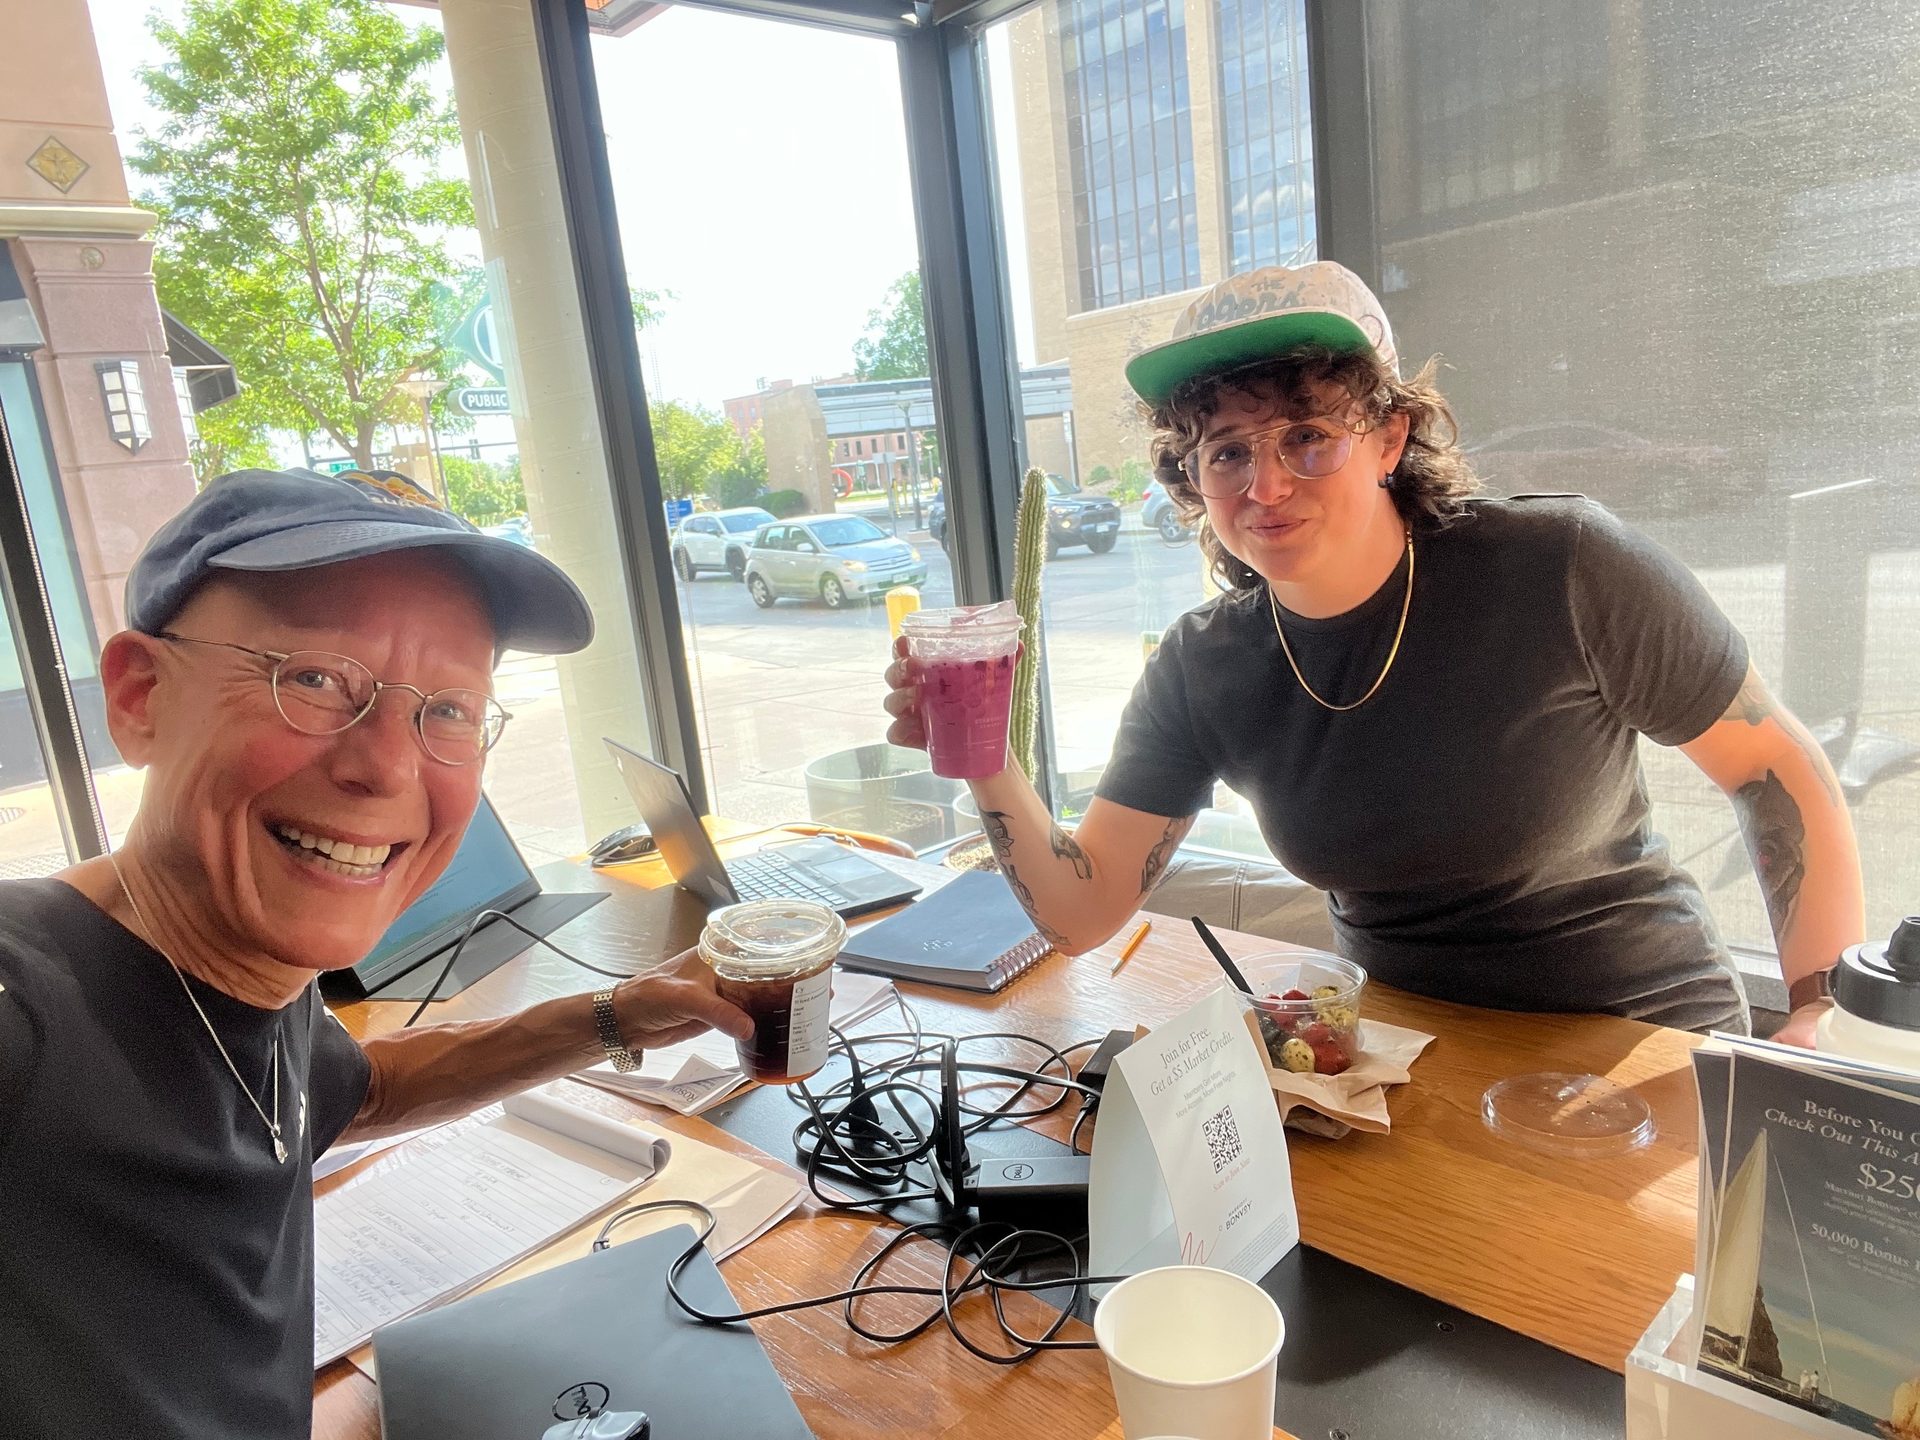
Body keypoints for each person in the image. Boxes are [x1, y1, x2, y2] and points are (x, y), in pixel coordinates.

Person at [884, 262, 1864, 1043]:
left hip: (1636, 1042)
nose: (1263, 484)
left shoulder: (1562, 567)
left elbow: (1776, 768)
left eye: (1306, 437)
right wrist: (984, 763)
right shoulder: (1206, 665)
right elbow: (1085, 910)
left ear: (1390, 436)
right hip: (1404, 1053)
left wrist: (1824, 1006)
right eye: (1225, 450)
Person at [0, 468, 753, 1440]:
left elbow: (360, 1092)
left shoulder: (237, 973)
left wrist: (615, 1014)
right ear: (140, 696)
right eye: (312, 679)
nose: (389, 765)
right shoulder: (25, 1008)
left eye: (449, 710)